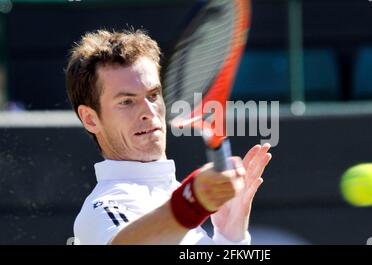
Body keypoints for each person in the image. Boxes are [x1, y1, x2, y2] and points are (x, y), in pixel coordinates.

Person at [65, 29, 272, 245]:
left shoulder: (173, 195)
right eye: (127, 101)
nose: (149, 111)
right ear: (90, 119)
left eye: (153, 95)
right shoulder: (101, 208)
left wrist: (230, 236)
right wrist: (191, 202)